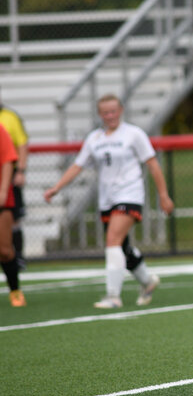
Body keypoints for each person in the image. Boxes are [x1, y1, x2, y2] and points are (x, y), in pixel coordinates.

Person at [44, 94, 175, 309]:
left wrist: (163, 195)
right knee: (121, 246)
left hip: (130, 195)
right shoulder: (94, 139)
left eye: (113, 111)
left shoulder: (134, 134)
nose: (110, 115)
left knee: (113, 239)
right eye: (105, 112)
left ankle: (113, 296)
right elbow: (78, 165)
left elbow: (152, 164)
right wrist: (56, 188)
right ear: (100, 114)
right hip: (107, 199)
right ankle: (147, 281)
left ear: (121, 110)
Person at [0, 94, 30, 277]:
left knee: (14, 219)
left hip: (6, 176)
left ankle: (17, 256)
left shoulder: (9, 117)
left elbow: (22, 144)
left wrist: (21, 170)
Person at [0, 123, 21, 306]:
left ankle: (15, 290)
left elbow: (8, 159)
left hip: (2, 200)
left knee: (4, 251)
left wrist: (3, 190)